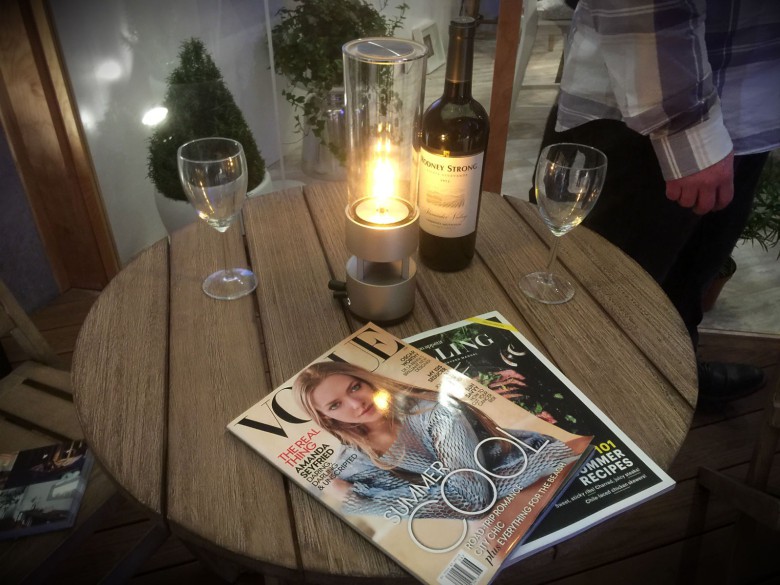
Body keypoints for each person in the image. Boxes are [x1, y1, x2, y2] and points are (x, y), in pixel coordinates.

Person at [536, 0, 780, 407]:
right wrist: (686, 128)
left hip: (748, 104)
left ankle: (669, 380)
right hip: (649, 108)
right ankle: (563, 412)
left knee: (688, 281)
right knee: (594, 301)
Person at [293, 361, 583, 519]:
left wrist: (360, 503)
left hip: (540, 462)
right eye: (335, 405)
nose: (356, 404)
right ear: (327, 418)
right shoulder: (355, 462)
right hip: (516, 497)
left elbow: (473, 501)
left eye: (355, 387)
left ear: (367, 381)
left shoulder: (433, 411)